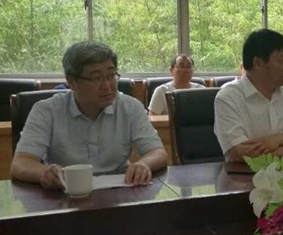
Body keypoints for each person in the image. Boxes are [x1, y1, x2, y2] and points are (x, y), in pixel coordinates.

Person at [11, 42, 168, 189]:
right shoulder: (46, 110)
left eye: (111, 75)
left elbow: (157, 152)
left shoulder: (131, 107)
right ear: (72, 82)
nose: (107, 86)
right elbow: (20, 163)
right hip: (65, 192)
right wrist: (44, 173)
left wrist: (144, 164)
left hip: (118, 192)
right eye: (97, 78)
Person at [214, 29, 283, 162]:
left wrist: (280, 139)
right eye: (282, 61)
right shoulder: (228, 98)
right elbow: (239, 153)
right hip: (247, 174)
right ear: (258, 63)